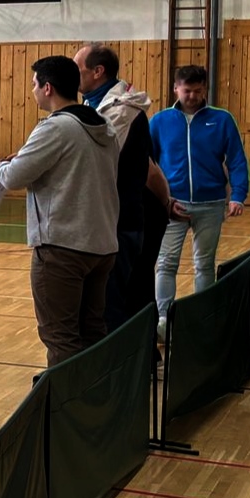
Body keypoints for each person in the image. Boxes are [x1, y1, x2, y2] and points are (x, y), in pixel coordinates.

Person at [0, 56, 121, 367]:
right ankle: (96, 392)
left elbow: (13, 177)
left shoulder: (55, 127)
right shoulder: (103, 125)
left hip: (63, 248)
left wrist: (0, 167)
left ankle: (68, 397)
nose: (33, 91)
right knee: (92, 331)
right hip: (102, 245)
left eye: (34, 85)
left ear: (47, 88)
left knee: (60, 336)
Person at [73, 45, 168, 330]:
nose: (73, 75)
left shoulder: (122, 111)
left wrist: (165, 203)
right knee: (116, 299)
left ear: (98, 72)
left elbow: (147, 169)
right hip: (108, 221)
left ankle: (132, 356)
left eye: (78, 69)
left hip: (121, 221)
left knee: (118, 303)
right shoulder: (92, 105)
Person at [148, 64, 250, 324]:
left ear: (205, 89)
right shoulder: (159, 121)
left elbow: (237, 160)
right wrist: (159, 200)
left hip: (211, 204)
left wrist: (238, 195)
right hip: (173, 205)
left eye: (197, 90)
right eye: (187, 90)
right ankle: (163, 318)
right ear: (176, 89)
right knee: (166, 262)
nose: (192, 96)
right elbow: (148, 163)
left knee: (204, 263)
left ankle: (203, 318)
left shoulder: (222, 120)